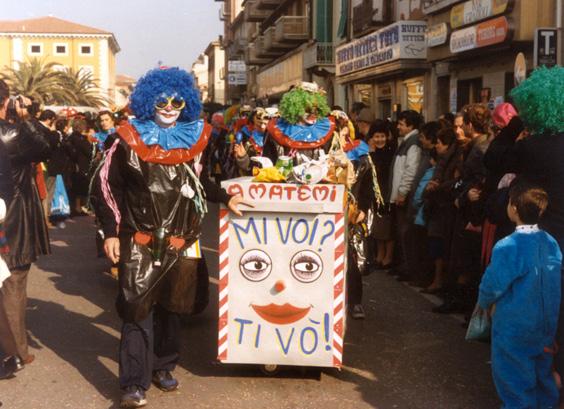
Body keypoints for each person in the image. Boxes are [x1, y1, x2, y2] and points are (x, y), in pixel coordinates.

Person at [93, 67, 248, 408]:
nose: (169, 106)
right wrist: (111, 232)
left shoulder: (193, 140)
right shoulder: (125, 139)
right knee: (136, 310)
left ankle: (164, 367)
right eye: (162, 100)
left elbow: (199, 183)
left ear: (186, 102)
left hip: (182, 240)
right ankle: (134, 383)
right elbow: (105, 188)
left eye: (177, 100)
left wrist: (226, 197)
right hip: (139, 240)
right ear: (150, 101)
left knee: (173, 308)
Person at [478, 182, 562, 409]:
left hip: (514, 324)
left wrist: (484, 302)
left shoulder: (508, 245)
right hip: (546, 323)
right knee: (542, 376)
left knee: (514, 378)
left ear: (513, 208)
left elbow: (493, 284)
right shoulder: (551, 242)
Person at [508, 66, 564, 391]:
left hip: (545, 247)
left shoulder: (533, 148)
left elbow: (496, 159)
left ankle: (546, 384)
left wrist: (518, 120)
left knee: (545, 322)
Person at [0, 79, 50, 369]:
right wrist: (27, 117)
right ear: (7, 102)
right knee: (14, 282)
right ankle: (16, 349)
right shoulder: (13, 134)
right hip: (14, 217)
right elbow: (46, 148)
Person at [389, 110, 423, 276]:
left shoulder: (413, 143)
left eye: (401, 124)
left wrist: (402, 192)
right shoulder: (406, 141)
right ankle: (404, 266)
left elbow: (411, 169)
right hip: (400, 195)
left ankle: (408, 268)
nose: (398, 126)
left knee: (406, 233)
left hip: (404, 196)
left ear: (410, 125)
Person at [366, 120, 394, 271]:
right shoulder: (370, 152)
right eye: (376, 136)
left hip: (386, 191)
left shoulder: (391, 152)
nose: (380, 139)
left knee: (387, 227)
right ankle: (379, 255)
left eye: (382, 136)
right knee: (377, 226)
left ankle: (387, 257)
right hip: (374, 193)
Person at [66, 118, 95, 215]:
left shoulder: (70, 137)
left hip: (72, 166)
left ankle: (74, 207)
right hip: (81, 166)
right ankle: (78, 208)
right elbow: (89, 152)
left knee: (74, 188)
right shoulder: (81, 139)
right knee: (80, 188)